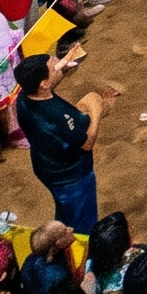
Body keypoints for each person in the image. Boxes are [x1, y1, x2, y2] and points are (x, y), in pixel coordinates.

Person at [13, 47, 115, 229]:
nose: (59, 66)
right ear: (43, 84)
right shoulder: (57, 115)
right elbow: (86, 143)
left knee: (66, 213)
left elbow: (46, 85)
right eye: (55, 67)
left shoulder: (24, 97)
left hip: (46, 166)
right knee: (83, 225)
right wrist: (97, 110)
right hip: (71, 176)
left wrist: (63, 66)